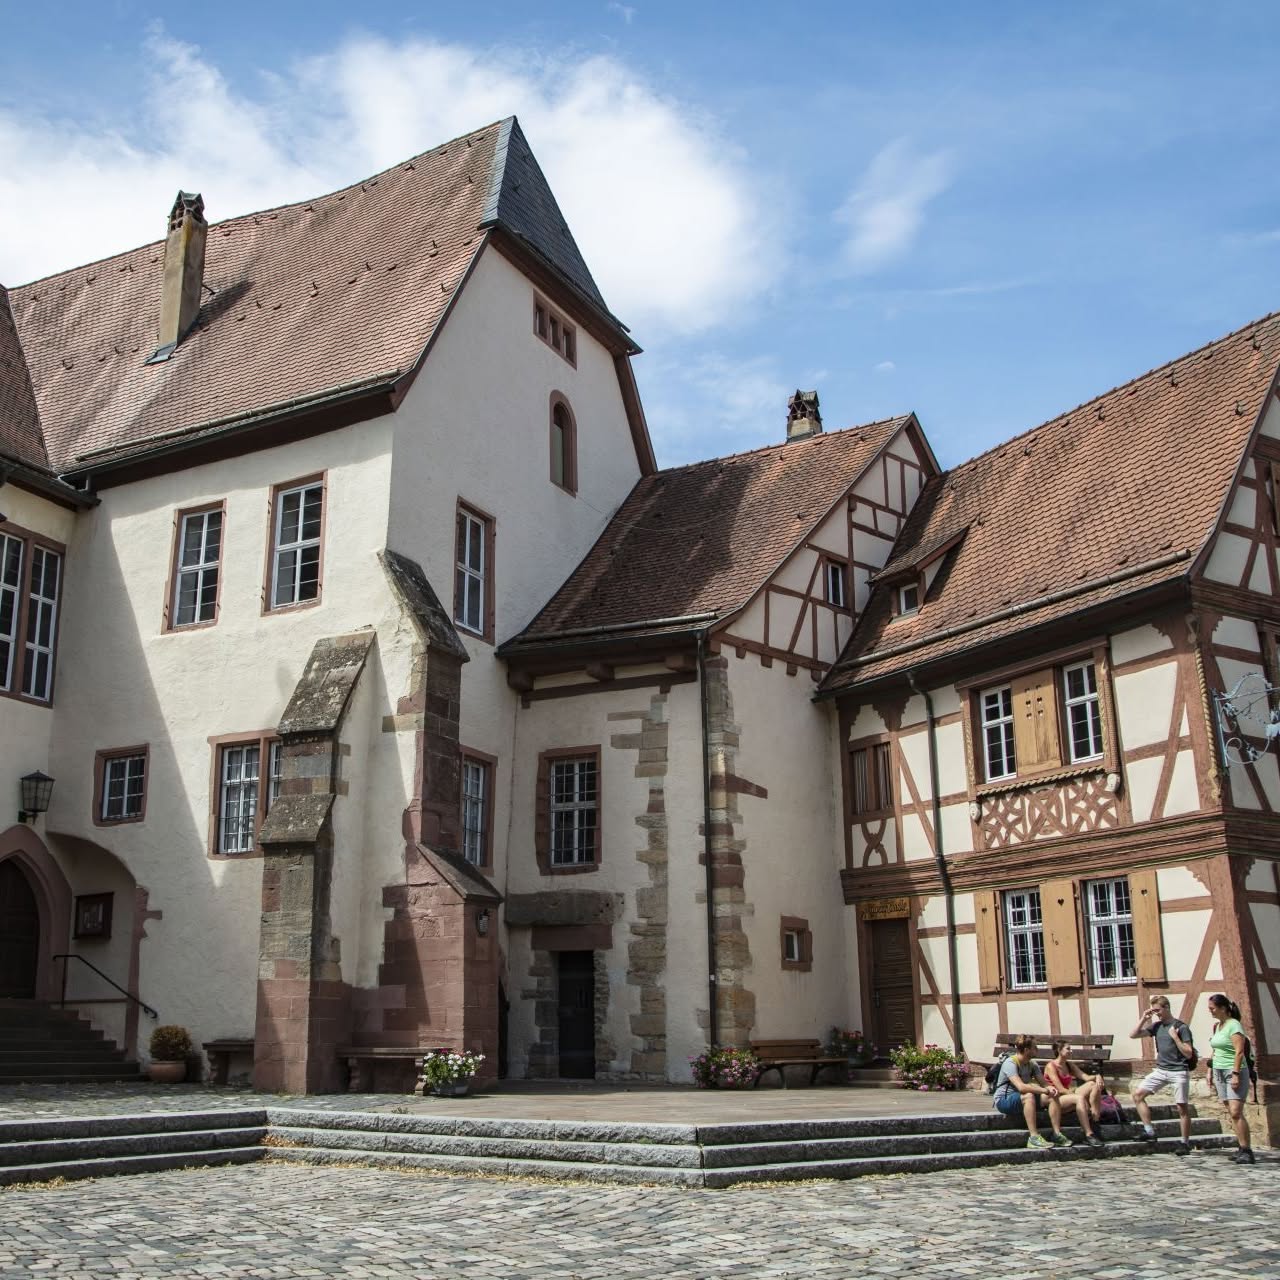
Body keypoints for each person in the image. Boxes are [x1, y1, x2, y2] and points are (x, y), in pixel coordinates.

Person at [1130, 994, 1195, 1155]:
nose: (1156, 1014)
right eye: (1154, 1011)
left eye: (1158, 1010)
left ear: (1167, 1008)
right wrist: (1144, 1018)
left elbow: (1188, 1053)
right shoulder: (1157, 1026)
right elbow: (1133, 1035)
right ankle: (1149, 1131)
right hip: (1161, 1070)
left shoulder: (1181, 1027)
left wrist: (1175, 1038)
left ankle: (1185, 1143)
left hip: (1178, 1071)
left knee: (1181, 1108)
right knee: (1138, 1095)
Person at [992, 1034, 1076, 1149]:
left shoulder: (1032, 1064)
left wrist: (1051, 1089)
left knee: (1052, 1095)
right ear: (1027, 1050)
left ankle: (1057, 1134)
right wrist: (1044, 1090)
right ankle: (1034, 1138)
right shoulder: (1010, 1063)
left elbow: (1045, 1084)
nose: (1037, 1049)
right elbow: (1021, 1087)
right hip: (1004, 1100)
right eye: (1035, 1047)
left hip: (1022, 1097)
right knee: (1029, 1095)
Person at [1206, 993, 1254, 1165]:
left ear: (1223, 1008)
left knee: (1236, 1112)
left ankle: (1247, 1151)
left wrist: (1235, 1074)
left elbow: (1239, 1052)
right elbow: (1215, 1050)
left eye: (1212, 1008)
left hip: (1233, 1071)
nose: (1210, 1011)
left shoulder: (1234, 1025)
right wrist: (1210, 1071)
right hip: (1218, 1070)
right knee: (1232, 1113)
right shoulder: (1218, 1026)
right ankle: (1241, 1147)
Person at [1044, 1041, 1106, 1146]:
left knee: (1093, 1085)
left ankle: (1095, 1122)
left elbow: (1086, 1077)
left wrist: (1097, 1076)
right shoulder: (1051, 1066)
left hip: (1067, 1096)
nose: (1071, 1051)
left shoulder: (1069, 1065)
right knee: (1079, 1098)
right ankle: (1088, 1134)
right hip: (1055, 1099)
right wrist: (1080, 1097)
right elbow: (1060, 1089)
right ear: (1059, 1050)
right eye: (1068, 1049)